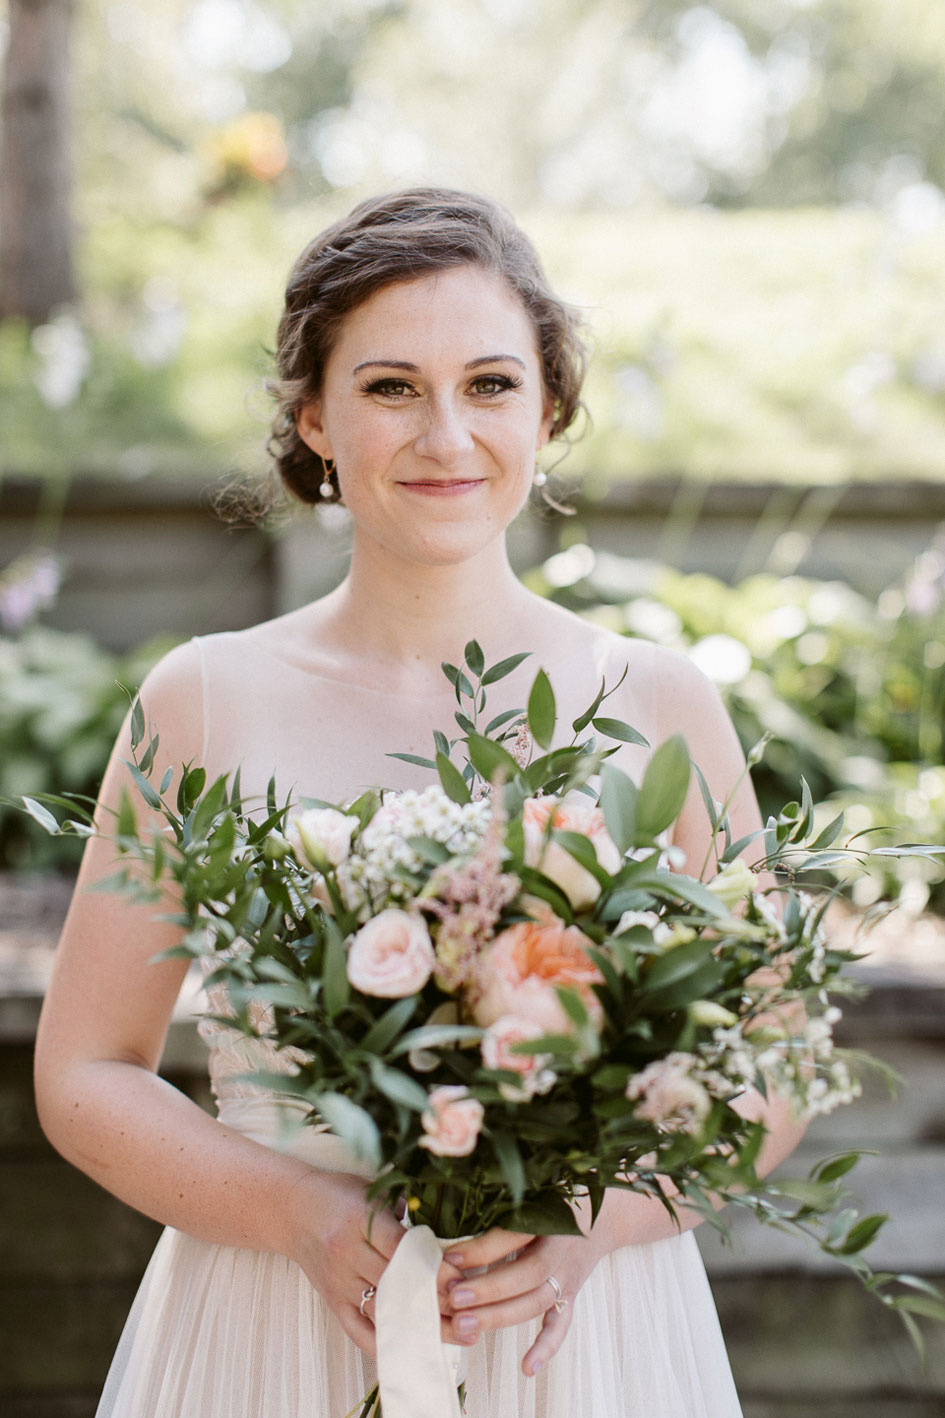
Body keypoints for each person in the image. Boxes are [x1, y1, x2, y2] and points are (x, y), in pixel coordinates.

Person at [35, 188, 805, 1418]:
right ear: (314, 418)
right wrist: (300, 1215)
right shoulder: (203, 700)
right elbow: (86, 1067)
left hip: (575, 1337)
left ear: (548, 410)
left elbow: (763, 1068)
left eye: (492, 384)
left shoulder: (660, 703)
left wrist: (592, 1227)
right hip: (274, 1318)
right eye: (392, 387)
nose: (447, 432)